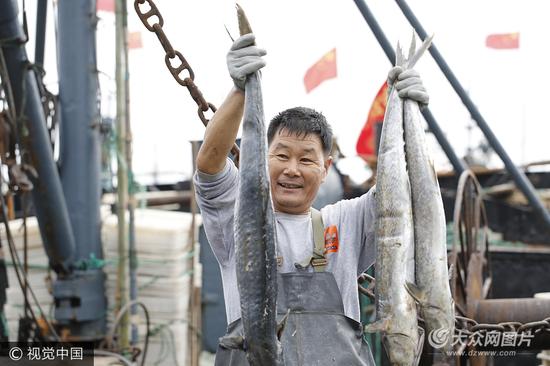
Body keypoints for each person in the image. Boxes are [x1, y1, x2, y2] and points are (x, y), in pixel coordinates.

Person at [194, 33, 429, 365]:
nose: (292, 169)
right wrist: (239, 91)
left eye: (306, 160)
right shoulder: (234, 216)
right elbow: (209, 164)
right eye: (281, 156)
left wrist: (408, 111)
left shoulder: (346, 221)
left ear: (325, 168)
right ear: (261, 159)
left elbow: (401, 193)